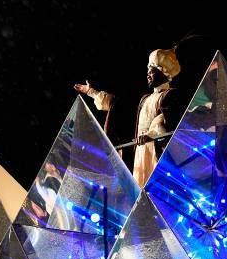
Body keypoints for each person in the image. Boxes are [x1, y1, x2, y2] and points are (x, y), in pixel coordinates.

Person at [74, 48, 182, 187]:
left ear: (163, 72)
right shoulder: (145, 98)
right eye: (148, 70)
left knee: (158, 187)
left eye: (152, 70)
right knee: (141, 187)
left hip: (157, 150)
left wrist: (152, 133)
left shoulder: (170, 95)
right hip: (141, 149)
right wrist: (91, 92)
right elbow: (119, 105)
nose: (148, 74)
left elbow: (170, 123)